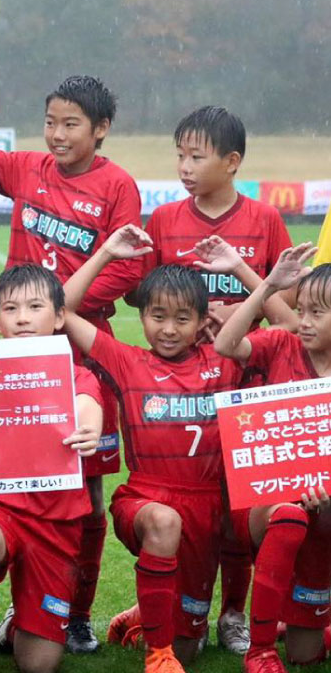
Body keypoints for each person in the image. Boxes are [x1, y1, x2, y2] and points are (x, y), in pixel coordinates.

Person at [0, 59, 140, 653]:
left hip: (82, 359)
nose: (56, 136)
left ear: (101, 129)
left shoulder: (117, 186)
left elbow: (132, 269)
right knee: (11, 480)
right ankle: (17, 607)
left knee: (83, 496)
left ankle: (75, 613)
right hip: (16, 360)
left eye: (71, 125)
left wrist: (63, 311)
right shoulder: (29, 168)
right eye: (50, 123)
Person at [61, 225, 301, 672]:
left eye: (182, 319)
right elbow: (62, 309)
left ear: (202, 320)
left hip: (208, 508)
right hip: (147, 499)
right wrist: (107, 254)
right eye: (157, 316)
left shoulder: (224, 360)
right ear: (143, 316)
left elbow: (286, 327)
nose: (168, 330)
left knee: (191, 642)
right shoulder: (127, 360)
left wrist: (249, 274)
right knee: (164, 523)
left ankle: (144, 620)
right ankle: (158, 655)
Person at [141, 105, 294, 654]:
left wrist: (240, 306)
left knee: (237, 508)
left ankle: (233, 612)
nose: (184, 166)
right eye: (179, 155)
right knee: (190, 504)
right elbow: (149, 302)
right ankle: (186, 609)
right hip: (184, 390)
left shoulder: (264, 221)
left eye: (196, 156)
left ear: (231, 163)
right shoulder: (164, 222)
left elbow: (289, 313)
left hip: (248, 382)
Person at [0, 264, 103, 673]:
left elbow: (89, 412)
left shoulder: (80, 376)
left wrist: (88, 432)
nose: (21, 317)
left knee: (39, 664)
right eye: (10, 308)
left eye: (35, 306)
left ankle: (19, 623)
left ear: (58, 317)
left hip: (56, 519)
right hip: (1, 507)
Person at [214, 245, 331, 672]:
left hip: (325, 508)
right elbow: (226, 345)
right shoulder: (282, 343)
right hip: (268, 502)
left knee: (306, 656)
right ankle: (260, 650)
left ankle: (313, 625)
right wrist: (267, 285)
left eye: (317, 313)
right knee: (289, 516)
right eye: (302, 310)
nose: (304, 322)